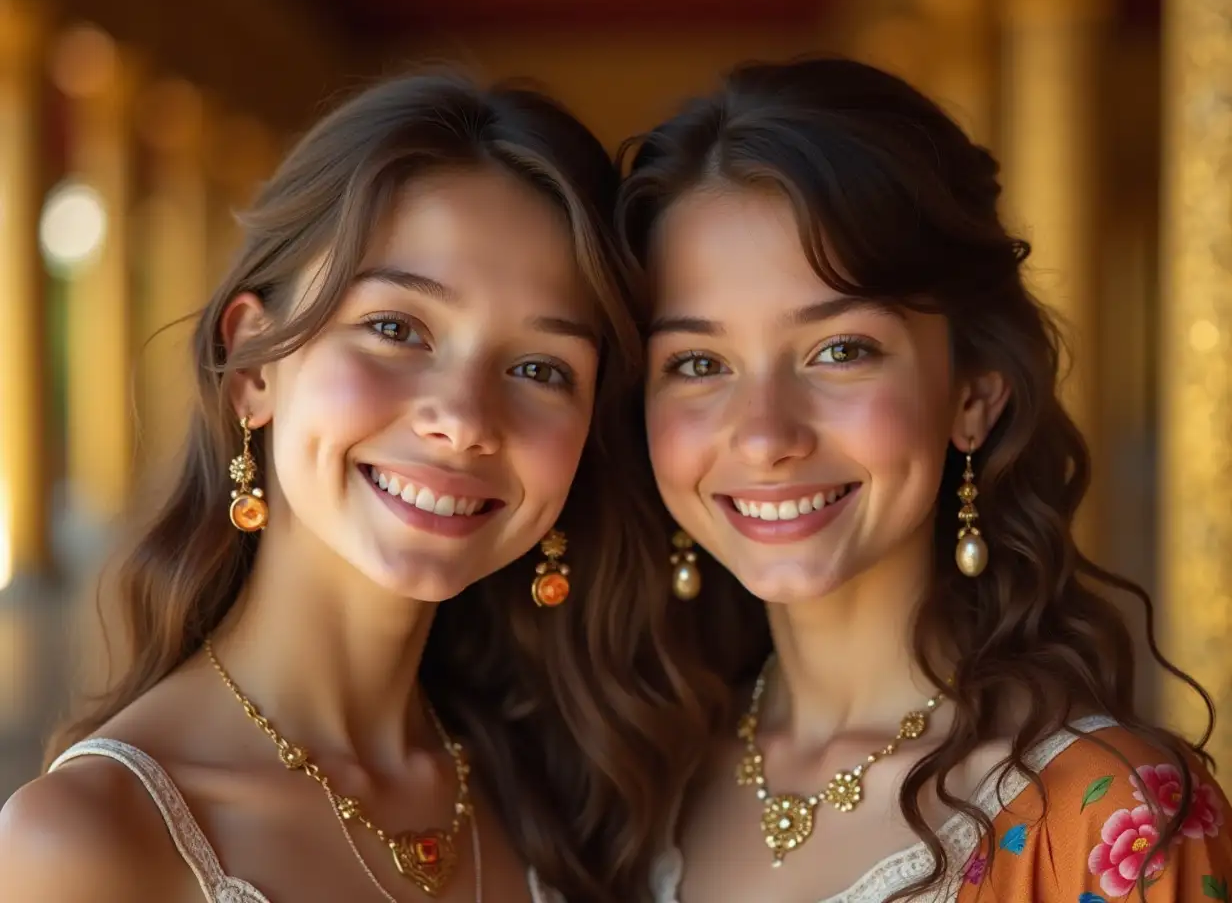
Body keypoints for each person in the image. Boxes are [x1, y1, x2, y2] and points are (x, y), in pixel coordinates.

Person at [0, 72, 705, 903]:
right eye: (397, 328)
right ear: (256, 365)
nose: (465, 418)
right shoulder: (87, 843)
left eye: (540, 368)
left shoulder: (574, 790)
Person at [617, 57, 1232, 902]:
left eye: (840, 350)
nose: (764, 436)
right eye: (697, 361)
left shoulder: (1107, 817)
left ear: (972, 397)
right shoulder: (620, 787)